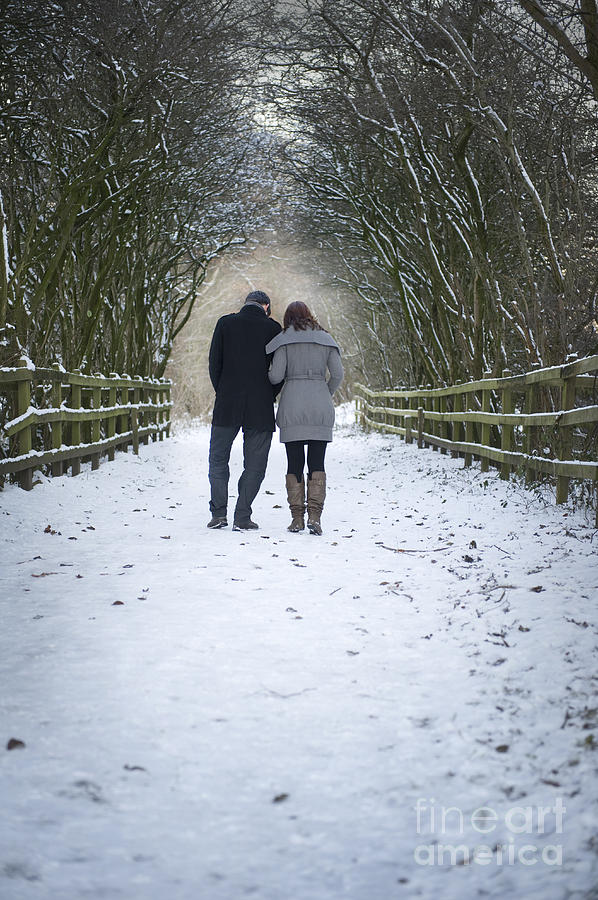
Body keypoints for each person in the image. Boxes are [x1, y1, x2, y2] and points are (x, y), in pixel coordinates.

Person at [266, 301, 343, 535]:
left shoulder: (284, 340)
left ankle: (297, 519)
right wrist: (323, 392)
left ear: (288, 318)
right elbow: (338, 375)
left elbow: (275, 376)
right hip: (320, 405)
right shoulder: (325, 339)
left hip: (292, 406)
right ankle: (315, 517)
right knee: (317, 463)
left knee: (295, 462)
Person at [207, 290, 282, 531]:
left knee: (218, 459)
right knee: (255, 464)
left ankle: (218, 514)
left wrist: (223, 390)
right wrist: (268, 394)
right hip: (260, 407)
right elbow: (279, 371)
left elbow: (214, 363)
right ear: (266, 306)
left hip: (227, 403)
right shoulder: (273, 329)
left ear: (245, 304)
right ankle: (242, 516)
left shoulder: (225, 323)